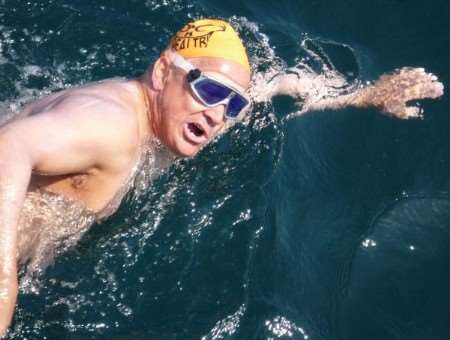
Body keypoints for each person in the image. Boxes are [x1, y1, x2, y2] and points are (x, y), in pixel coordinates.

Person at [0, 18, 444, 336]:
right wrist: (5, 283)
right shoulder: (110, 125)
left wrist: (362, 97)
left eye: (231, 104)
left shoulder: (187, 108)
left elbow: (273, 84)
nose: (218, 115)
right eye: (210, 91)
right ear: (160, 72)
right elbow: (10, 146)